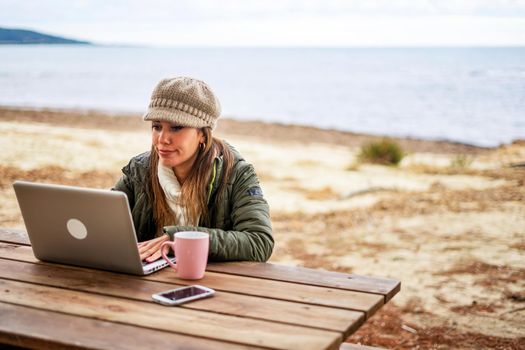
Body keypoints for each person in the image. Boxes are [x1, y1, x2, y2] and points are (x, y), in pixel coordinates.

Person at [112, 76, 274, 262]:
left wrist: (181, 238)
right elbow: (104, 222)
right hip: (144, 280)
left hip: (211, 281)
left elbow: (259, 243)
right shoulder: (139, 170)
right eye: (156, 127)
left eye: (176, 127)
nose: (162, 139)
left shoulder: (237, 173)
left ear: (202, 135)